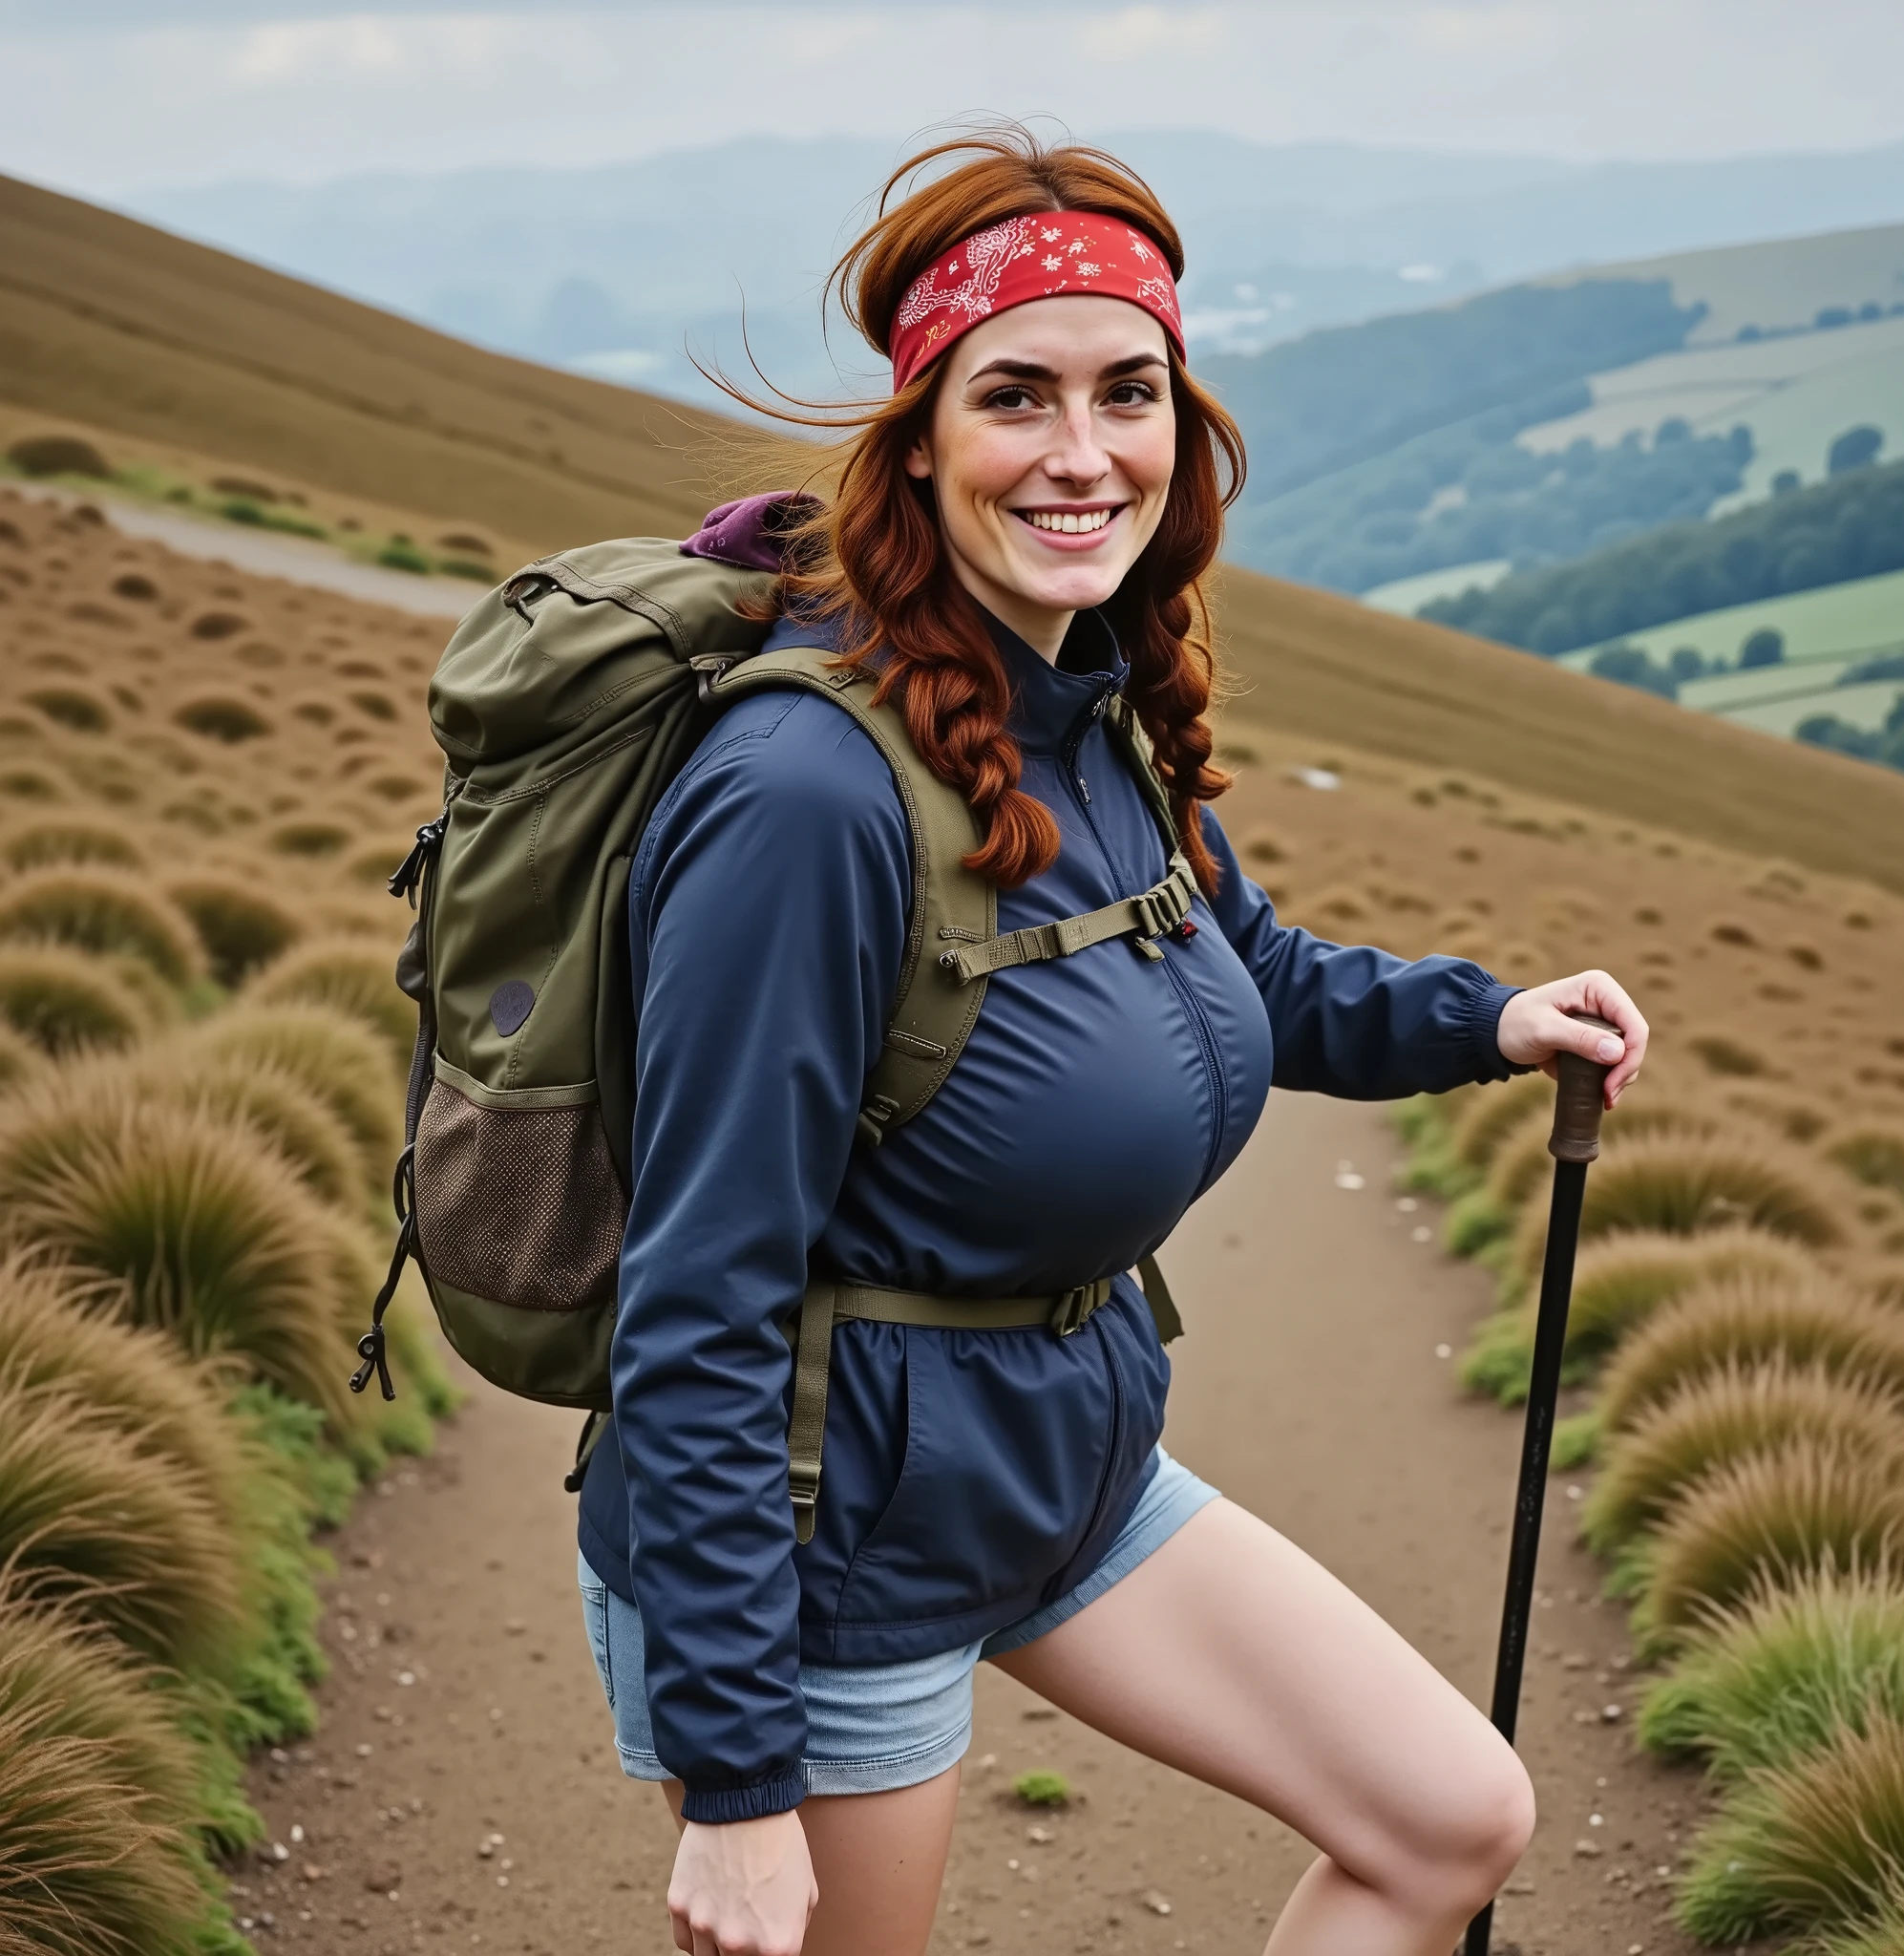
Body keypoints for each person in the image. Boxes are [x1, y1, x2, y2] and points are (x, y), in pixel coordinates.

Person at [572, 128, 1649, 1956]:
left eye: (1127, 392)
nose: (1084, 453)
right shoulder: (808, 794)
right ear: (918, 437)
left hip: (1060, 1464)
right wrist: (739, 1790)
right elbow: (696, 1302)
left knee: (1447, 1816)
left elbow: (1244, 971)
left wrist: (1485, 1018)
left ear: (1180, 418)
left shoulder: (1088, 695)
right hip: (827, 1544)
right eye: (1017, 395)